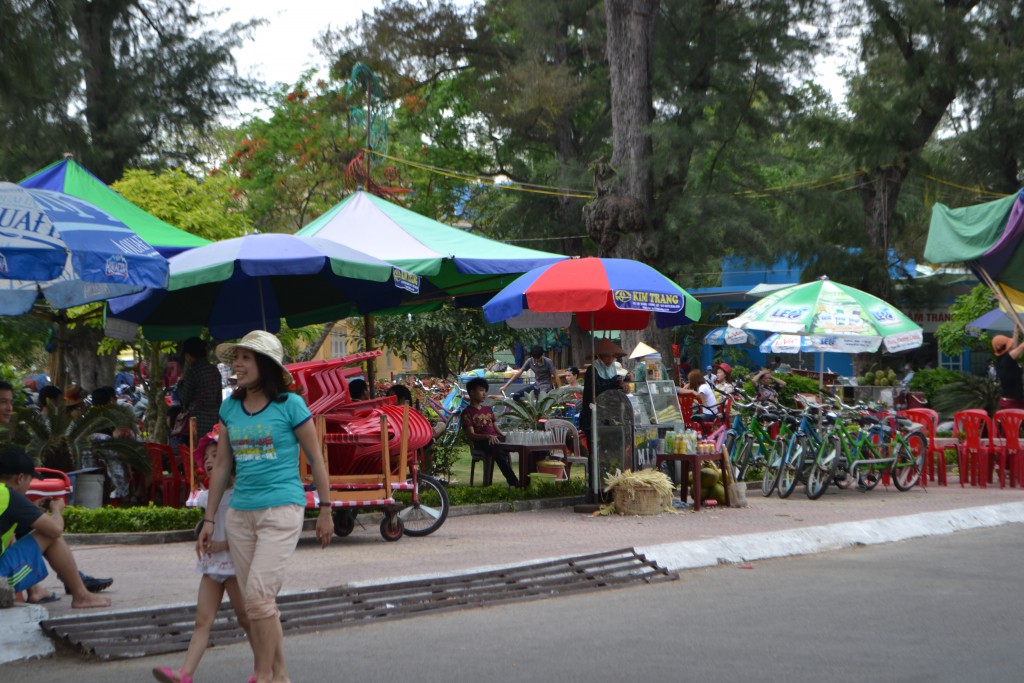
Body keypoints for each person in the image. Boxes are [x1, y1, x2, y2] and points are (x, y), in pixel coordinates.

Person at [198, 330, 333, 683]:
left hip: (282, 509)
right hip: (241, 515)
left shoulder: (290, 405)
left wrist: (326, 509)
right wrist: (210, 519)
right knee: (257, 605)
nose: (237, 365)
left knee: (258, 597)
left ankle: (261, 672)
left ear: (266, 365)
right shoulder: (229, 408)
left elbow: (316, 460)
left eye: (246, 358)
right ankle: (281, 675)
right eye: (236, 358)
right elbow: (224, 465)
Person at [153, 428, 253, 683]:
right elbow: (208, 526)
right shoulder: (207, 497)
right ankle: (185, 674)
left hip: (234, 565)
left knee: (247, 619)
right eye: (206, 457)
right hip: (212, 567)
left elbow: (249, 534)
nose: (209, 461)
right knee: (202, 620)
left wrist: (222, 545)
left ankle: (267, 668)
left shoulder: (243, 494)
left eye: (214, 455)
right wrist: (206, 540)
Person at [0, 444, 112, 608]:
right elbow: (55, 529)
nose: (29, 486)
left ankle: (36, 591)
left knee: (16, 533)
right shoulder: (9, 496)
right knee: (50, 535)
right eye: (30, 481)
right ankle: (81, 595)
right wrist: (56, 510)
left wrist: (31, 510)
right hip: (3, 581)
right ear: (20, 478)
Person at [461, 377, 520, 487]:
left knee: (520, 443)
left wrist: (504, 436)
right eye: (481, 390)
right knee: (497, 449)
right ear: (472, 392)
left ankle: (527, 478)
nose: (484, 394)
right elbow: (471, 435)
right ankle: (514, 482)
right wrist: (487, 436)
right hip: (481, 443)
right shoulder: (467, 412)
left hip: (495, 439)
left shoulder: (488, 409)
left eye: (485, 391)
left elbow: (495, 427)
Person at [579, 338, 626, 452]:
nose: (610, 359)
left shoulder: (612, 370)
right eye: (606, 356)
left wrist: (622, 386)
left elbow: (613, 387)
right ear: (599, 356)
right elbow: (597, 389)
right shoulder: (592, 370)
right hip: (592, 416)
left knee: (608, 449)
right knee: (594, 450)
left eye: (612, 357)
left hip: (607, 416)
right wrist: (616, 383)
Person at [176, 337, 223, 445]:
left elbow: (185, 398)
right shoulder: (214, 370)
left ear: (189, 354)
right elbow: (219, 399)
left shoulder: (192, 372)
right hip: (214, 421)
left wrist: (180, 383)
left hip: (197, 422)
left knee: (198, 453)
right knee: (211, 450)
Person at [992, 330, 1024, 410]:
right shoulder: (1007, 359)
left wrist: (1016, 330)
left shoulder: (1001, 359)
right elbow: (1020, 347)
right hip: (1013, 404)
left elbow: (1014, 346)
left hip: (1007, 402)